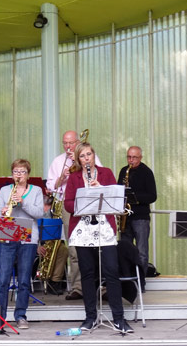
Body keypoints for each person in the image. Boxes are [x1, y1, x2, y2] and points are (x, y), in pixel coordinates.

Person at [64, 142, 133, 334]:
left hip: (104, 227)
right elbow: (68, 204)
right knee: (87, 274)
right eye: (82, 156)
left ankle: (119, 319)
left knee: (111, 271)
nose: (87, 159)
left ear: (94, 155)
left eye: (89, 154)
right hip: (82, 229)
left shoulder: (106, 173)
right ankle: (90, 318)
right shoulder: (74, 177)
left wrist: (100, 188)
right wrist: (83, 197)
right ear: (78, 160)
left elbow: (117, 197)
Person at [46, 130, 101, 301]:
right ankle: (78, 287)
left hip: (90, 204)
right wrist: (62, 177)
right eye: (65, 143)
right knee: (74, 247)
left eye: (71, 143)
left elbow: (100, 174)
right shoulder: (58, 161)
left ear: (78, 141)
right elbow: (51, 187)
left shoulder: (89, 156)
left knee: (97, 245)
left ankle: (99, 286)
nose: (68, 146)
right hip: (68, 205)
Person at [0, 159, 44, 330]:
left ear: (28, 174)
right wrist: (1, 212)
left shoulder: (36, 190)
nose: (19, 175)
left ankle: (21, 315)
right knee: (2, 279)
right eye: (16, 171)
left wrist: (22, 201)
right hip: (7, 237)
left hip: (28, 239)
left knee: (23, 280)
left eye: (22, 172)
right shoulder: (4, 190)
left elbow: (39, 213)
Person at [116, 146, 157, 290]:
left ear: (140, 157)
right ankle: (126, 282)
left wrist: (134, 198)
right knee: (124, 250)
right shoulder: (123, 171)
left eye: (134, 158)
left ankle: (141, 283)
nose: (131, 160)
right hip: (125, 217)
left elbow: (153, 196)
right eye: (128, 157)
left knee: (141, 251)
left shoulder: (146, 172)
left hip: (140, 217)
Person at [37, 196, 69, 295]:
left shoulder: (56, 209)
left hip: (54, 241)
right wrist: (36, 246)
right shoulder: (34, 209)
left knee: (63, 250)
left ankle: (55, 281)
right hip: (38, 243)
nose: (48, 194)